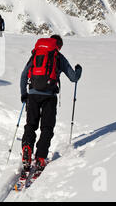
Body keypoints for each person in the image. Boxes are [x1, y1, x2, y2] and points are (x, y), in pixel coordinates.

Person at [19, 34, 82, 176]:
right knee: (47, 127)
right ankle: (40, 158)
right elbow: (73, 78)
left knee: (30, 125)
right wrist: (78, 70)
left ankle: (27, 148)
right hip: (50, 96)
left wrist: (24, 94)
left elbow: (24, 75)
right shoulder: (57, 57)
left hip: (33, 95)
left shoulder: (37, 54)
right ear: (58, 46)